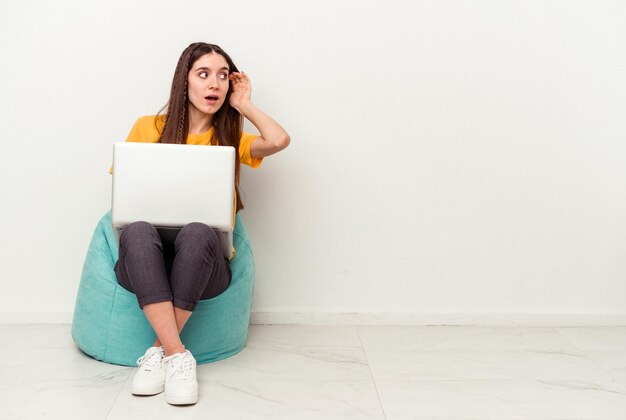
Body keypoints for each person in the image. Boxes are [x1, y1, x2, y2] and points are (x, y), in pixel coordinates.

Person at [109, 42, 290, 405]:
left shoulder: (231, 137)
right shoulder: (148, 128)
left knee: (197, 231)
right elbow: (125, 198)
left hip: (206, 269)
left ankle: (161, 353)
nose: (215, 84)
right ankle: (178, 356)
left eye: (223, 76)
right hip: (145, 264)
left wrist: (245, 105)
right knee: (138, 229)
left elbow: (278, 140)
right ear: (184, 81)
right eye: (203, 74)